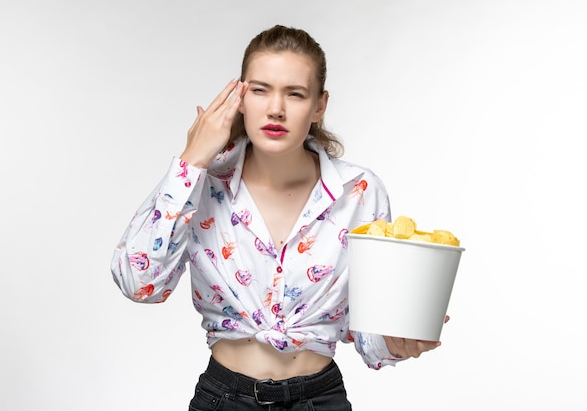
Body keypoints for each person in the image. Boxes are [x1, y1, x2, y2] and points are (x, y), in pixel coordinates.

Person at [111, 25, 446, 410]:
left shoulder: (359, 192)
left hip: (320, 400)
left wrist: (400, 340)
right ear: (240, 97)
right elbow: (140, 284)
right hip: (226, 399)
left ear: (319, 106)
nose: (276, 108)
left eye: (295, 94)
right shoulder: (201, 183)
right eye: (260, 89)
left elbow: (369, 338)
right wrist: (191, 161)